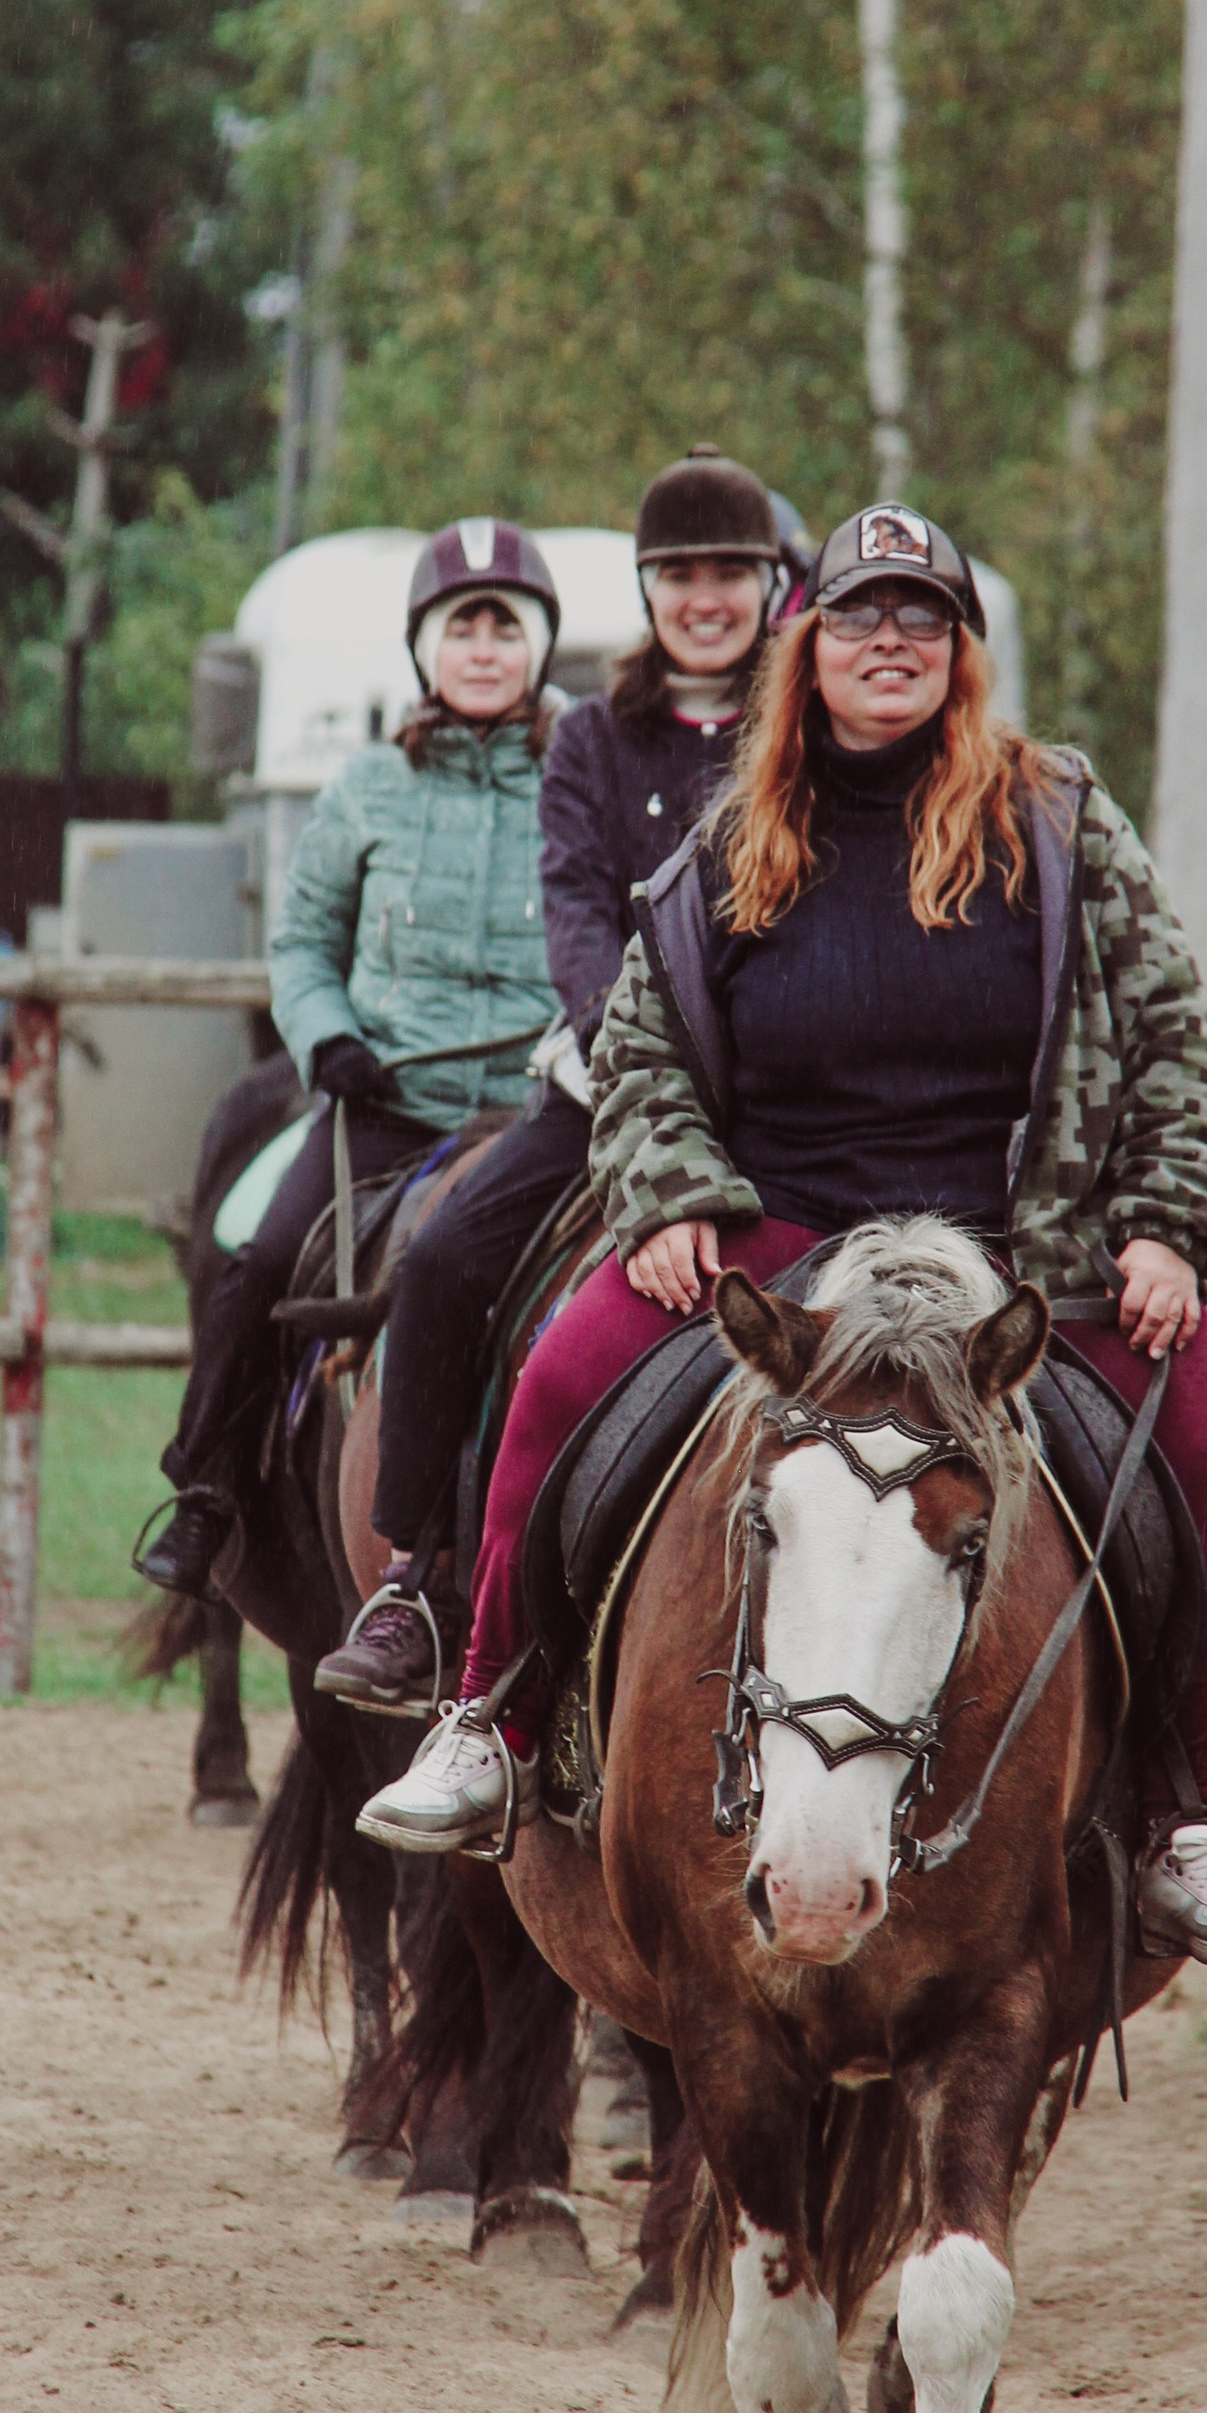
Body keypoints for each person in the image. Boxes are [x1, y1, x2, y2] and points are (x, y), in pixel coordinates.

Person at [355, 499, 1207, 1976]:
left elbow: (1173, 1030)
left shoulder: (1056, 816)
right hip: (775, 1231)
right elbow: (647, 1032)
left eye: (924, 618)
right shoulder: (743, 821)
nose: (890, 642)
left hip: (1020, 1240)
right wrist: (669, 1194)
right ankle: (495, 1716)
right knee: (555, 1380)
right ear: (814, 643)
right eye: (862, 616)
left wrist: (1167, 1229)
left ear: (961, 652)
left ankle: (1199, 1815)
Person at [314, 446, 783, 1713]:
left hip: (792, 1103)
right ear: (648, 590)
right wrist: (631, 1045)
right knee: (448, 1252)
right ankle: (414, 1572)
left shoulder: (810, 726)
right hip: (614, 1088)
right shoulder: (589, 737)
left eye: (728, 574)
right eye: (679, 575)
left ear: (769, 582)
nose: (704, 599)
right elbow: (576, 912)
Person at [138, 520, 566, 1602]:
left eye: (504, 629)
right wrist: (326, 1037)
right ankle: (207, 1493)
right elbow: (301, 943)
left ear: (539, 652)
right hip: (392, 1102)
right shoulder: (366, 788)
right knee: (266, 1257)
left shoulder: (579, 784)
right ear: (424, 651)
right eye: (460, 628)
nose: (482, 649)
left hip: (537, 1114)